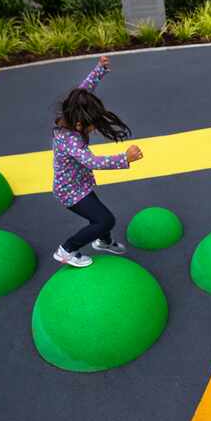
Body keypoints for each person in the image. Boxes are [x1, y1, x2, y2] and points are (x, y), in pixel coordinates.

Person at [51, 56, 143, 267]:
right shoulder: (70, 141)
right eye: (93, 126)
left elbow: (83, 93)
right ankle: (67, 249)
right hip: (70, 192)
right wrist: (124, 158)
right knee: (105, 220)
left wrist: (99, 70)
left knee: (100, 216)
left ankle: (103, 241)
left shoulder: (70, 113)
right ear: (80, 124)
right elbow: (92, 162)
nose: (94, 129)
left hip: (79, 185)